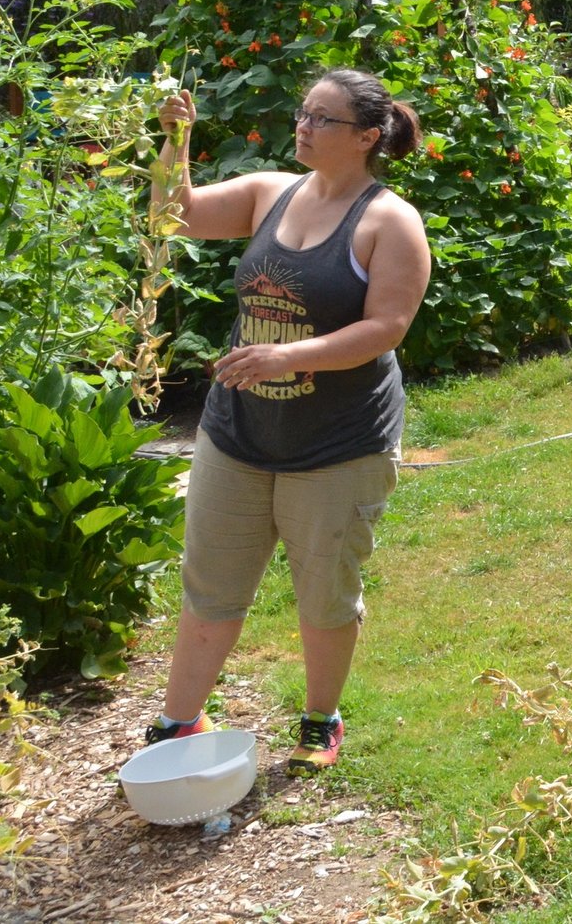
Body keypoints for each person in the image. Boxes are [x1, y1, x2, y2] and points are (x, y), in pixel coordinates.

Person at [143, 68, 432, 775]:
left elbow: (386, 328)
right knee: (211, 582)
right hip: (237, 430)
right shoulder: (270, 192)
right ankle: (180, 721)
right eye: (304, 112)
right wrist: (176, 138)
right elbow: (174, 216)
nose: (303, 126)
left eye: (322, 118)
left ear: (367, 137)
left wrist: (286, 355)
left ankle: (320, 717)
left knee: (324, 592)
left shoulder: (389, 221)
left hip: (339, 442)